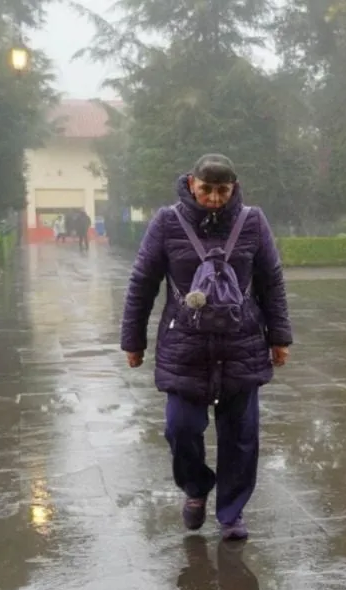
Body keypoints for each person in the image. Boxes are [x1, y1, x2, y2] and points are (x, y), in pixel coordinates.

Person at [120, 153, 291, 541]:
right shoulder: (167, 223)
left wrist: (279, 338)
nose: (214, 198)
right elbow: (142, 282)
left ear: (233, 188)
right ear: (192, 184)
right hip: (185, 348)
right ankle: (195, 488)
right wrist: (133, 340)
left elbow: (271, 282)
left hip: (241, 345)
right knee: (180, 429)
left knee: (241, 437)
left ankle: (231, 513)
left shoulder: (252, 222)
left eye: (223, 190)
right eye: (207, 190)